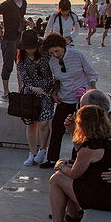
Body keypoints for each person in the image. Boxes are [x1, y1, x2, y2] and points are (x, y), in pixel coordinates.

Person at [32, 105, 111, 222]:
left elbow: (74, 173)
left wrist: (60, 165)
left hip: (106, 198)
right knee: (69, 176)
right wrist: (73, 132)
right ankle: (72, 215)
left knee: (57, 179)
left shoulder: (90, 148)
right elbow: (83, 161)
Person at [40, 33, 98, 169]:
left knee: (79, 130)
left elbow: (91, 74)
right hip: (64, 98)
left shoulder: (77, 55)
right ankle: (52, 159)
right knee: (57, 128)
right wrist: (55, 92)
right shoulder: (52, 62)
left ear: (63, 46)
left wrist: (92, 92)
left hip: (81, 98)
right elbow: (57, 80)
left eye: (57, 51)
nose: (55, 54)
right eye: (52, 52)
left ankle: (75, 159)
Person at [15, 30, 53, 166]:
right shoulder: (21, 59)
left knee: (44, 123)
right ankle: (32, 152)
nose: (30, 50)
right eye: (28, 47)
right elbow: (23, 76)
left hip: (46, 92)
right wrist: (32, 88)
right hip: (30, 94)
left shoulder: (45, 55)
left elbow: (52, 71)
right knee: (30, 124)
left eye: (32, 47)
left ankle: (43, 149)